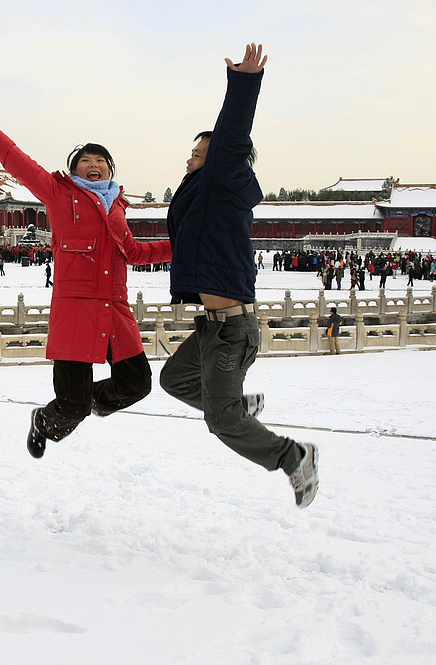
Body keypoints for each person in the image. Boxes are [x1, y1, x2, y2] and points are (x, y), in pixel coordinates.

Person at [0, 93, 172, 458]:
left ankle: (90, 403)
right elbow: (17, 162)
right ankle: (46, 421)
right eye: (85, 161)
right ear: (74, 169)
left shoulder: (116, 207)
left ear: (110, 169)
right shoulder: (58, 194)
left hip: (114, 310)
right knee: (70, 405)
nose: (93, 165)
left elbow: (135, 252)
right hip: (76, 313)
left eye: (100, 161)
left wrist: (178, 246)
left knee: (137, 384)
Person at [158, 43, 319, 509]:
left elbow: (231, 137)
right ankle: (240, 409)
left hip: (232, 329)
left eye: (197, 153)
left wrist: (243, 83)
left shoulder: (222, 182)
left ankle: (294, 457)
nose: (188, 159)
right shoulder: (205, 196)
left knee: (220, 421)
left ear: (221, 159)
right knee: (174, 381)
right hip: (213, 327)